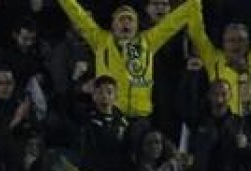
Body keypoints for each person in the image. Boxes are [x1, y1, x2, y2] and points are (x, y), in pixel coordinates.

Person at [56, 0, 198, 120]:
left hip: (140, 116)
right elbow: (78, 15)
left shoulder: (147, 42)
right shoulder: (100, 41)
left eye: (130, 20)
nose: (126, 24)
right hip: (110, 113)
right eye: (121, 20)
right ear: (113, 25)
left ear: (136, 26)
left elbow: (173, 22)